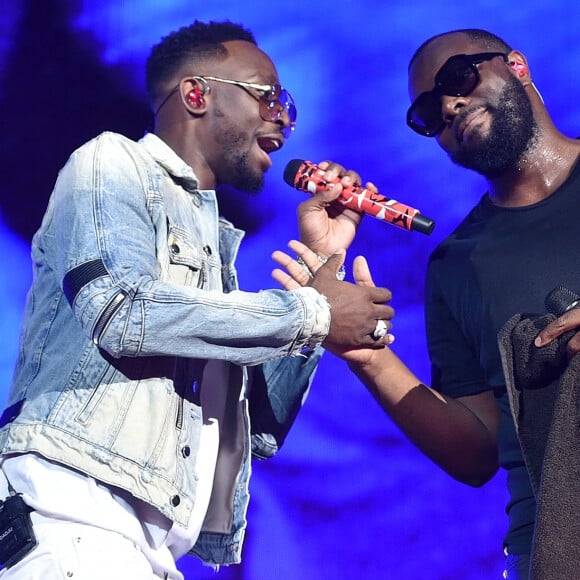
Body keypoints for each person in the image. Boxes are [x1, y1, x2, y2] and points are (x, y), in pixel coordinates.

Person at [0, 20, 395, 579]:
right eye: (267, 96)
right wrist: (316, 314)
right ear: (195, 94)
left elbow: (258, 427)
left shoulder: (212, 256)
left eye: (287, 102)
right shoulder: (110, 162)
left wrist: (321, 269)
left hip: (144, 549)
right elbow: (119, 312)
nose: (282, 115)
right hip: (74, 517)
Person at [273, 28, 580, 579]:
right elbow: (475, 452)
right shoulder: (458, 265)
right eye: (427, 112)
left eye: (458, 77)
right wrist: (363, 350)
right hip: (554, 547)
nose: (450, 104)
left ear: (517, 66)